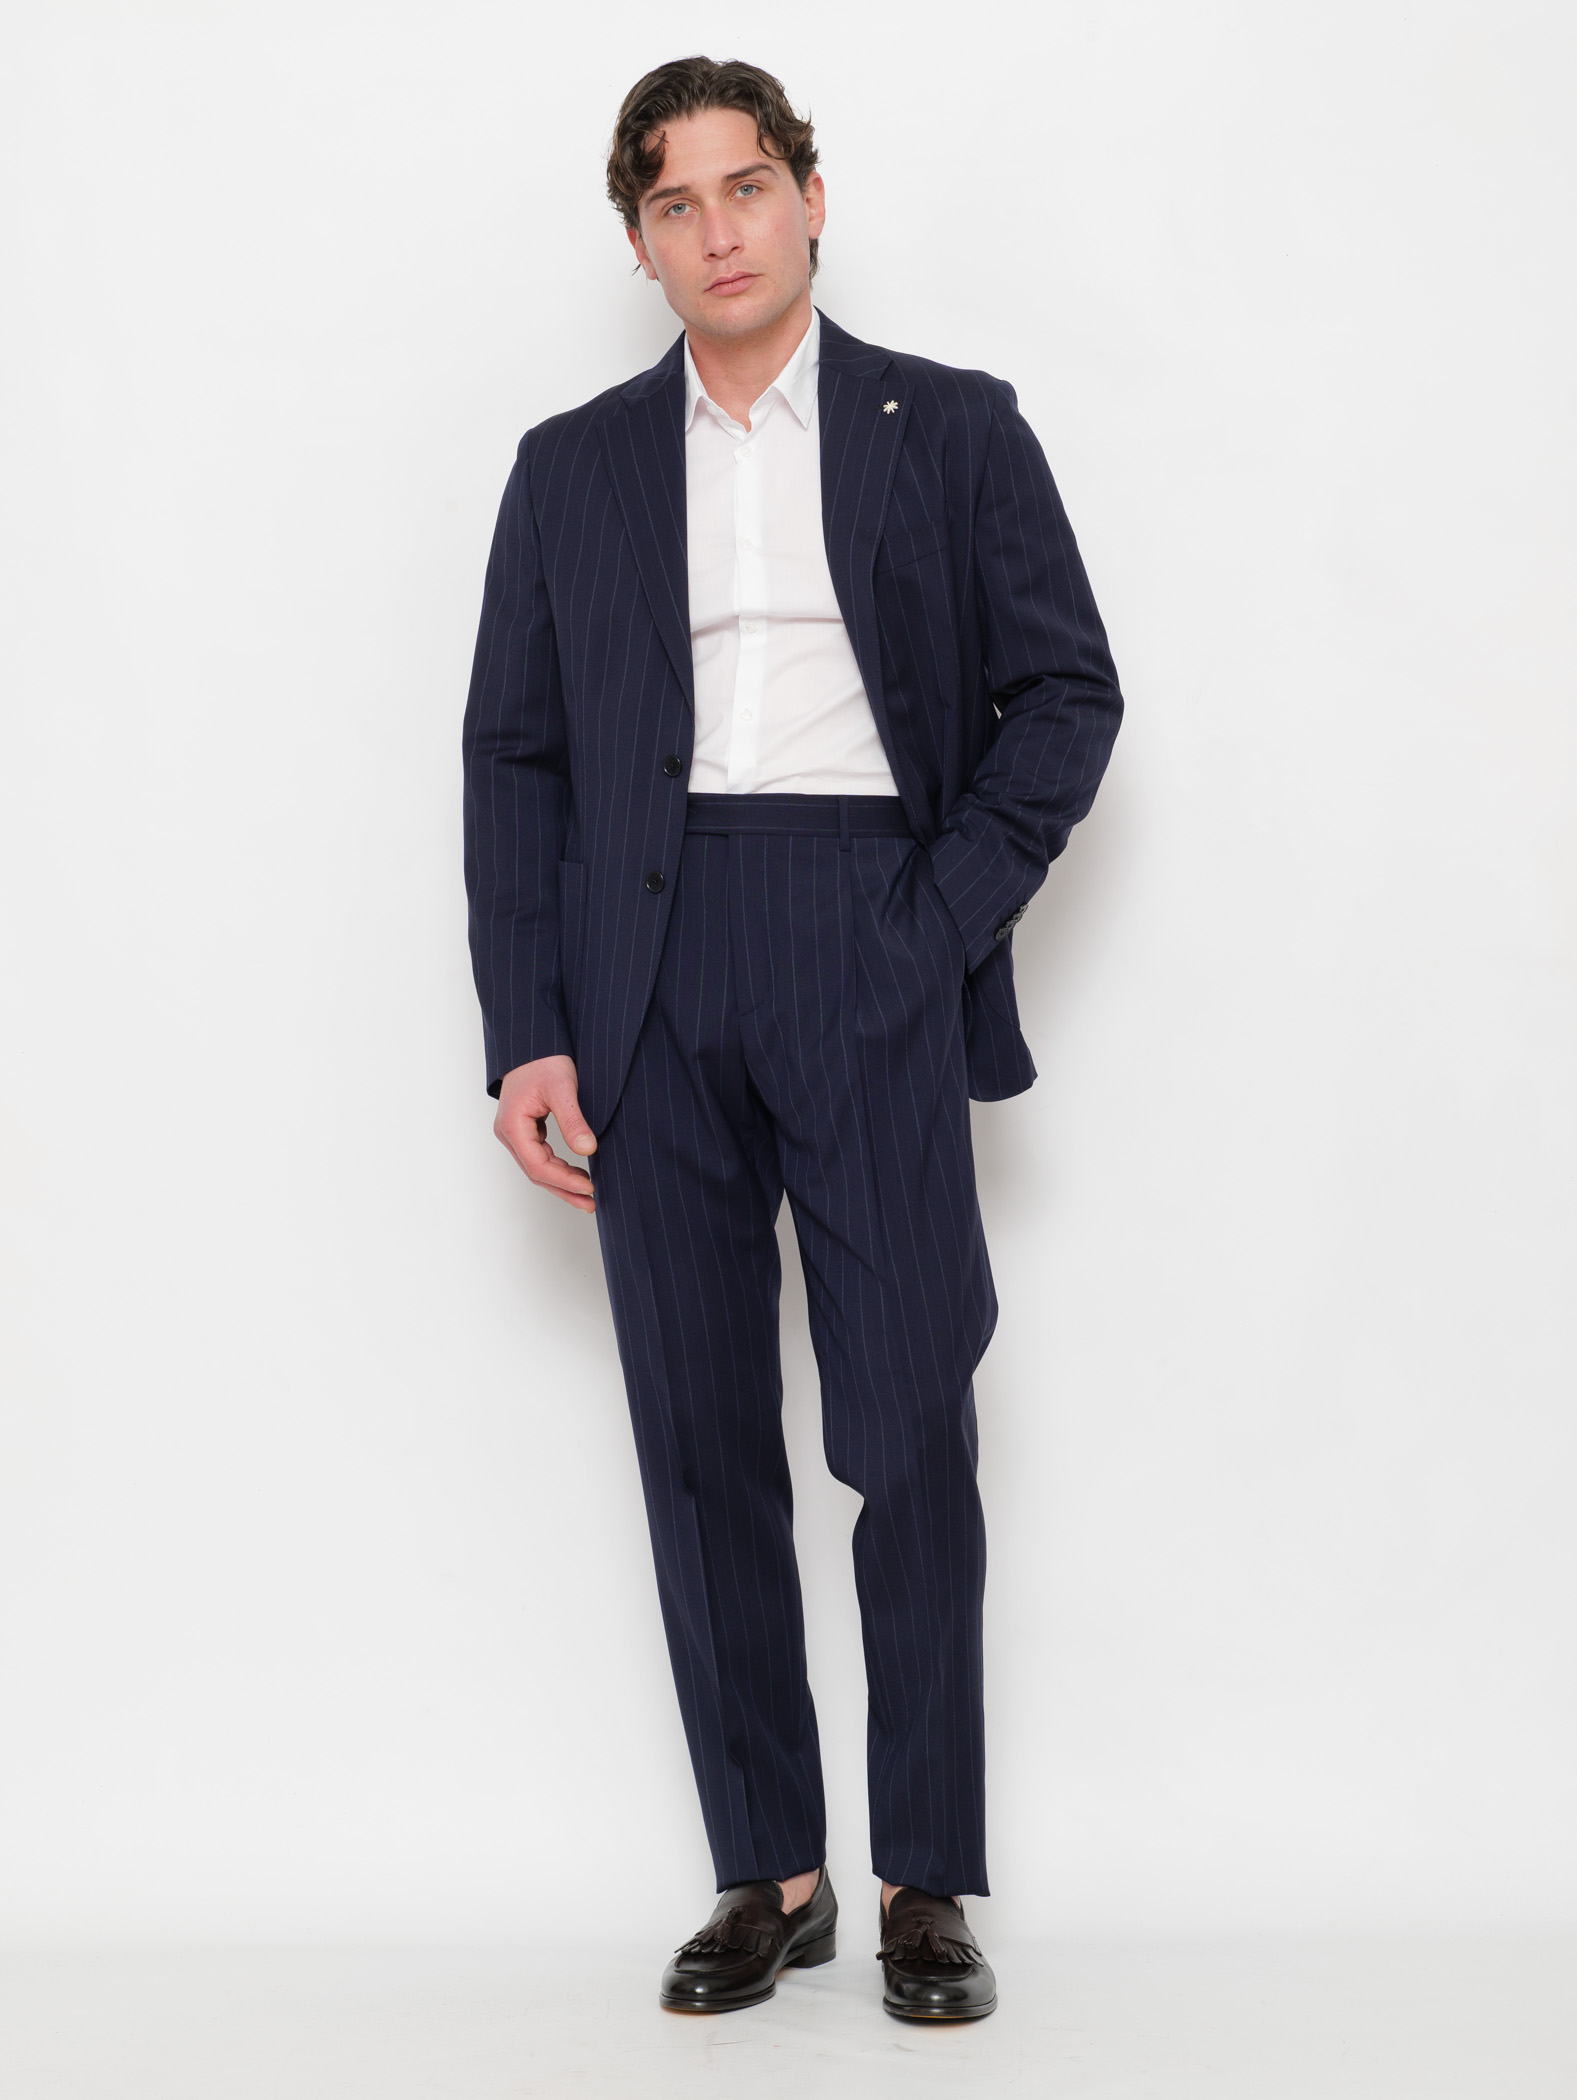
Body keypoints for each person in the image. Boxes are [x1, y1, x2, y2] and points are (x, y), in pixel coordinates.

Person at [462, 55, 1123, 2021]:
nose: (718, 229)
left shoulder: (955, 427)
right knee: (698, 1439)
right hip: (645, 966)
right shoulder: (570, 468)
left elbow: (1065, 696)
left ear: (811, 197)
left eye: (746, 186)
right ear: (640, 242)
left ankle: (926, 1879)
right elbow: (515, 760)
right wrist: (530, 1030)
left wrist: (927, 928)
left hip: (866, 935)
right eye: (673, 204)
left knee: (907, 1424)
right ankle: (773, 1869)